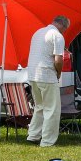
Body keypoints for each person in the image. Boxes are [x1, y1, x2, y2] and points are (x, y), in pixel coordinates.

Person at [25, 15, 69, 148]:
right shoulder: (58, 36)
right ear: (63, 25)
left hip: (33, 75)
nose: (64, 31)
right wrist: (59, 73)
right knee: (52, 109)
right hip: (47, 75)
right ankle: (47, 141)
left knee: (39, 107)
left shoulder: (37, 32)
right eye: (65, 29)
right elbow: (58, 60)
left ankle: (33, 135)